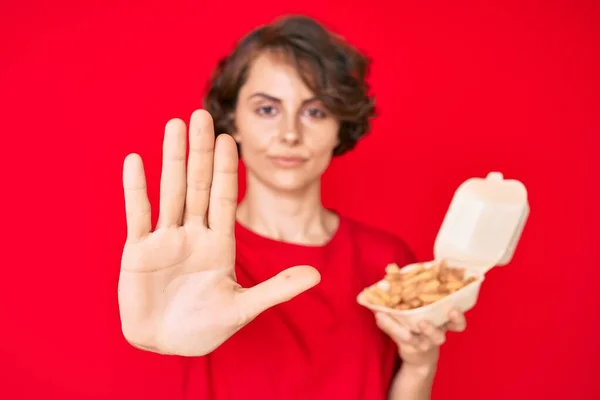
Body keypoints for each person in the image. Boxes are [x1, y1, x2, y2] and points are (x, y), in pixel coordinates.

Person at [118, 15, 467, 400]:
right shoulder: (187, 256)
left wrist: (421, 365)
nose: (289, 134)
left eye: (314, 111)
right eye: (267, 109)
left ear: (339, 125)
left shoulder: (386, 262)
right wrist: (157, 333)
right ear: (233, 120)